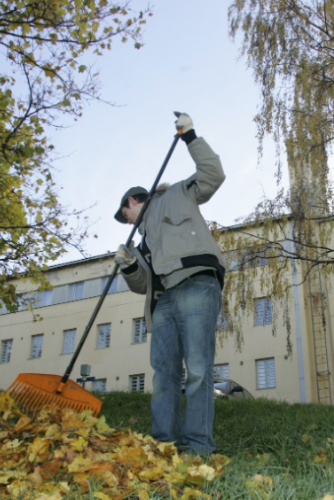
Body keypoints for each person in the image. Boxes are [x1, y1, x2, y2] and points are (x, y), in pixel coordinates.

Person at [113, 112, 225, 455]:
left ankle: (197, 447)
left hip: (196, 286)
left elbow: (214, 174)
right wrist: (130, 265)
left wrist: (190, 135)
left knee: (199, 371)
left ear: (132, 202)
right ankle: (164, 446)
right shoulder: (141, 241)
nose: (125, 222)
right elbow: (142, 285)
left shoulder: (178, 194)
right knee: (164, 377)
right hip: (163, 303)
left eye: (124, 215)